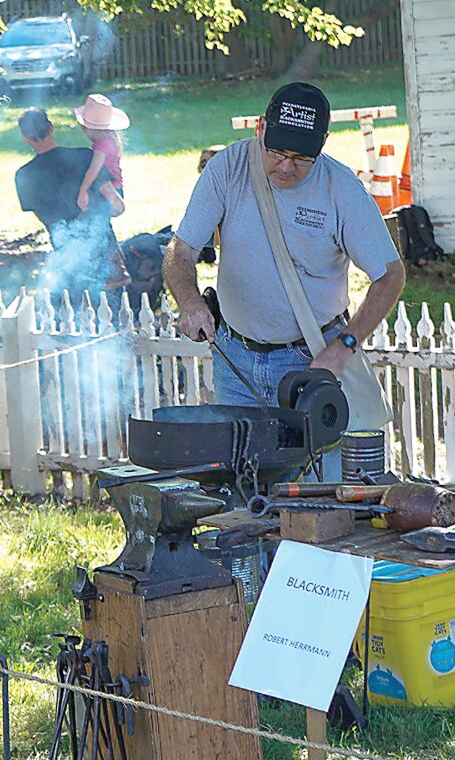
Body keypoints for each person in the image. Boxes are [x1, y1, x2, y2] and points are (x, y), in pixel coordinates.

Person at [162, 82, 406, 478]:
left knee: (319, 488)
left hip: (307, 361)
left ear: (323, 144)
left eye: (301, 157)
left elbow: (390, 275)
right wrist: (190, 303)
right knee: (241, 483)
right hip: (234, 354)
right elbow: (182, 249)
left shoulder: (341, 190)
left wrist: (342, 347)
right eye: (276, 152)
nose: (286, 167)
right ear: (261, 129)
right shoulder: (228, 168)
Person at [15, 107, 130, 300]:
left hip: (67, 258)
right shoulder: (85, 157)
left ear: (25, 137)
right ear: (51, 128)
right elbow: (116, 206)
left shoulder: (24, 176)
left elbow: (47, 218)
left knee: (77, 319)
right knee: (115, 317)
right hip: (105, 255)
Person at [73, 93, 128, 214]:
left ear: (89, 129)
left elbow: (94, 170)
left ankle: (116, 204)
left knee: (98, 214)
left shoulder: (101, 146)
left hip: (110, 189)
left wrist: (83, 189)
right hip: (118, 186)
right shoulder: (110, 139)